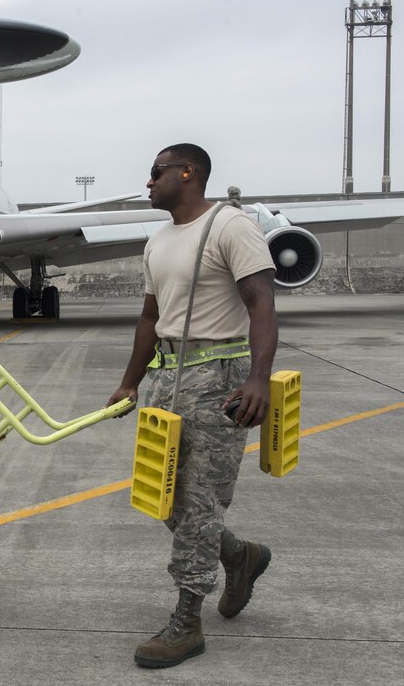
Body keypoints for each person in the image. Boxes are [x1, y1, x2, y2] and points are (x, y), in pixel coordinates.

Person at [106, 143, 278, 669]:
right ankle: (238, 555)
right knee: (165, 499)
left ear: (189, 172)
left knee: (200, 504)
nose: (149, 181)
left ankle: (187, 622)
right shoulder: (158, 241)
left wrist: (258, 379)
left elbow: (261, 305)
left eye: (157, 172)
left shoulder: (229, 226)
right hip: (166, 378)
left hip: (218, 379)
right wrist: (130, 383)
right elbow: (148, 318)